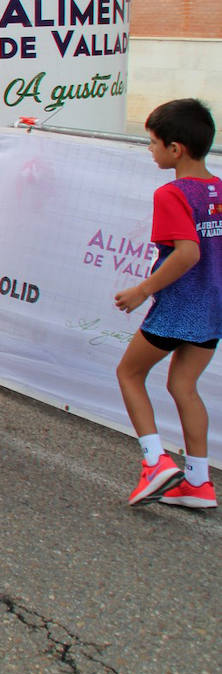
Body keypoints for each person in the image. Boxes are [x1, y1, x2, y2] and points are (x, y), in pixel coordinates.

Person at [113, 99, 218, 509]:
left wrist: (143, 289)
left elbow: (188, 253)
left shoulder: (172, 193)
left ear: (176, 149)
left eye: (153, 143)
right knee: (183, 385)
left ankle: (155, 463)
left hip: (181, 305)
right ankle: (197, 482)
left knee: (130, 373)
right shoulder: (219, 191)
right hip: (213, 308)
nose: (150, 149)